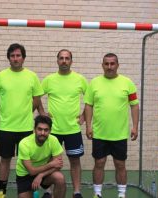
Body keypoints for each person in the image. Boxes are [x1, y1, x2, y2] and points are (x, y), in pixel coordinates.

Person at [84, 53, 139, 198]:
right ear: (102, 65)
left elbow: (134, 106)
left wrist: (135, 127)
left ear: (117, 65)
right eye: (106, 64)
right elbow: (88, 105)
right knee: (99, 163)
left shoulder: (128, 83)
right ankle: (97, 194)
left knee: (120, 164)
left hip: (119, 134)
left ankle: (121, 194)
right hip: (99, 133)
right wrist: (88, 126)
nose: (109, 67)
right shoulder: (94, 83)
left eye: (112, 63)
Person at [0, 43, 44, 198]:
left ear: (23, 58)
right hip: (7, 127)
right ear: (9, 58)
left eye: (18, 55)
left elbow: (36, 98)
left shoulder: (32, 76)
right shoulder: (1, 76)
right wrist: (7, 113)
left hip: (26, 127)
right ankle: (2, 191)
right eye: (13, 56)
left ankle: (33, 189)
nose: (15, 58)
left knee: (29, 160)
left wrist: (26, 112)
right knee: (5, 160)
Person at [39, 49, 88, 198]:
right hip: (53, 130)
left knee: (75, 161)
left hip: (72, 129)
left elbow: (90, 99)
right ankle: (48, 190)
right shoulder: (49, 79)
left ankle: (77, 191)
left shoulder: (80, 79)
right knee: (50, 160)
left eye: (67, 58)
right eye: (61, 58)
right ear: (57, 60)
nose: (64, 61)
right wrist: (42, 113)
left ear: (71, 61)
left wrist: (84, 116)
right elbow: (36, 96)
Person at [16, 115, 66, 198]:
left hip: (44, 174)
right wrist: (51, 164)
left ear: (50, 131)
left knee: (59, 178)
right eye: (39, 129)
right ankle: (33, 191)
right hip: (25, 175)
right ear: (34, 129)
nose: (42, 133)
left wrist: (41, 175)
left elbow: (58, 165)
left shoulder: (53, 140)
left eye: (46, 130)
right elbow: (31, 171)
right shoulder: (24, 143)